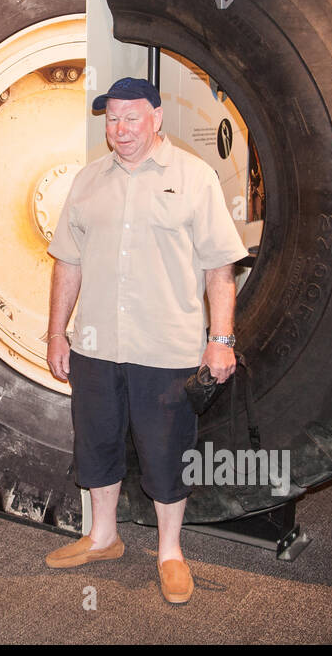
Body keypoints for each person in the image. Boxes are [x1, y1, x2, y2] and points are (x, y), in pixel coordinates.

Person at [43, 76, 248, 604]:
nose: (120, 129)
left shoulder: (194, 178)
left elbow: (219, 269)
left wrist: (221, 338)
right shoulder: (88, 180)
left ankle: (170, 552)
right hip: (95, 347)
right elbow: (67, 262)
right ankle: (103, 537)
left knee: (165, 453)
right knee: (98, 445)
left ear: (157, 118)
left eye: (132, 117)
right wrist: (56, 334)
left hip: (167, 349)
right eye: (112, 118)